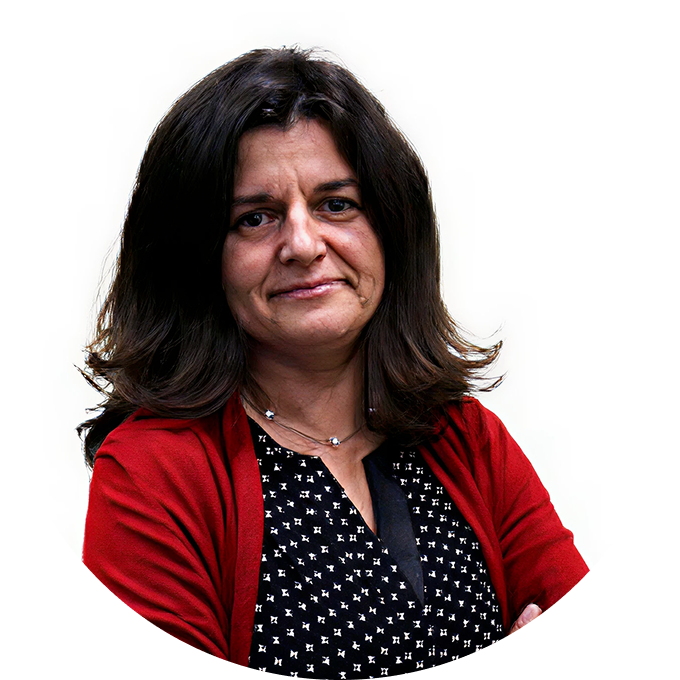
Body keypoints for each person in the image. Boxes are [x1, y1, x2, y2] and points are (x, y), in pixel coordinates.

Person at [79, 46, 589, 675]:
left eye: (336, 204)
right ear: (198, 258)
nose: (302, 244)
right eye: (254, 218)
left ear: (392, 228)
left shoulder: (468, 438)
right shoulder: (153, 474)